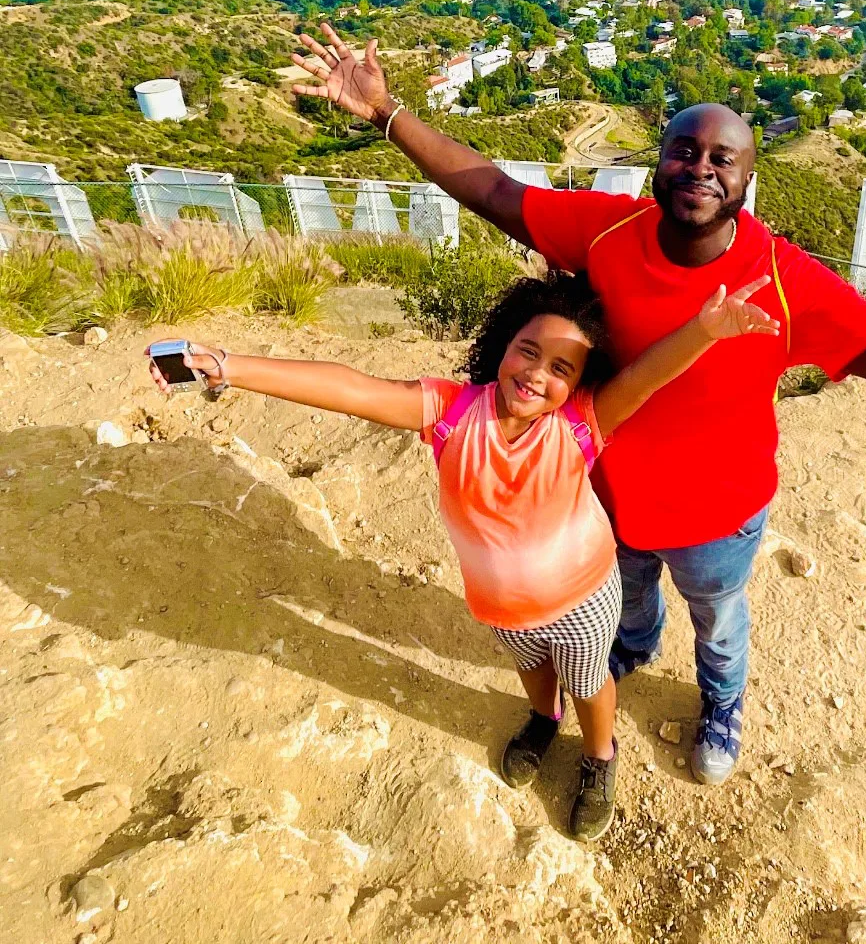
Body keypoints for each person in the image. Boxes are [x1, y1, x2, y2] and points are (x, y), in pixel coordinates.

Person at [289, 23, 866, 785]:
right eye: (683, 149)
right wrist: (387, 117)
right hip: (608, 500)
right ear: (659, 161)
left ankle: (721, 705)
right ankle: (626, 654)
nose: (700, 167)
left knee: (720, 621)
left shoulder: (784, 282)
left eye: (723, 158)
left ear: (749, 180)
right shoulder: (610, 230)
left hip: (719, 515)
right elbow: (495, 189)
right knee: (621, 606)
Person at [149, 266, 780, 839]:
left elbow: (645, 377)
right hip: (499, 605)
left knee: (590, 682)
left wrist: (703, 331)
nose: (537, 373)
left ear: (579, 383)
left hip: (584, 601)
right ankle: (541, 719)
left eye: (561, 368)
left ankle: (599, 755)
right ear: (504, 344)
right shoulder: (451, 414)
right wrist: (231, 366)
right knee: (532, 671)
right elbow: (352, 388)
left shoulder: (581, 426)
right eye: (528, 351)